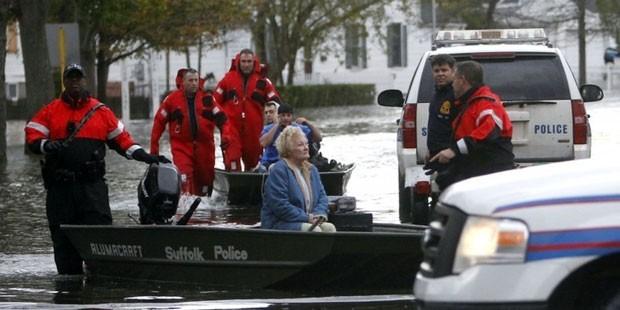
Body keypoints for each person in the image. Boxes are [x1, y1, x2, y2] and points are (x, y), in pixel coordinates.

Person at [25, 64, 170, 275]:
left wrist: (147, 157)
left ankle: (100, 289)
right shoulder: (50, 111)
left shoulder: (101, 112)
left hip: (92, 191)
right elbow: (32, 136)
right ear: (64, 82)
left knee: (101, 242)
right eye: (70, 78)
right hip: (61, 192)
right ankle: (68, 297)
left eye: (78, 78)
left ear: (85, 81)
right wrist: (46, 145)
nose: (75, 82)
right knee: (65, 252)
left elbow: (123, 142)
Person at [429, 60, 514, 190]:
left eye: (455, 80)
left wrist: (453, 151)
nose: (452, 85)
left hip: (490, 170)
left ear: (462, 80)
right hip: (474, 167)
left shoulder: (485, 103)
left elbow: (487, 133)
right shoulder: (468, 103)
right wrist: (440, 155)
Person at [150, 68, 229, 196]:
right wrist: (154, 149)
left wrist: (225, 136)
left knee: (205, 180)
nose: (194, 83)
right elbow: (159, 122)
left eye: (196, 80)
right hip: (181, 146)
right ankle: (184, 204)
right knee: (184, 177)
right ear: (183, 82)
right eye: (190, 80)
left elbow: (222, 119)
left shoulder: (208, 99)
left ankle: (204, 210)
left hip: (205, 147)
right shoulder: (171, 100)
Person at [213, 48, 281, 171]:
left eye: (249, 61)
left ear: (254, 62)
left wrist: (279, 120)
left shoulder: (263, 81)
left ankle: (253, 184)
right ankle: (234, 181)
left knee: (254, 164)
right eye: (243, 61)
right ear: (238, 62)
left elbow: (276, 102)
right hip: (231, 127)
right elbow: (214, 102)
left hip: (254, 129)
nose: (246, 64)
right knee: (232, 159)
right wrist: (219, 123)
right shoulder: (228, 79)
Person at [261, 126, 336, 232]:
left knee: (329, 228)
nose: (306, 147)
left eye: (306, 143)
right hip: (279, 224)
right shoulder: (279, 170)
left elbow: (322, 197)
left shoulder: (312, 169)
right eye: (301, 145)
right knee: (315, 231)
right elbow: (280, 206)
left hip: (306, 220)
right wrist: (307, 218)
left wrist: (318, 215)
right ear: (288, 149)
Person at [260, 102, 322, 168]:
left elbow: (319, 138)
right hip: (272, 163)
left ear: (292, 116)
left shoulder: (298, 128)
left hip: (293, 163)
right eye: (283, 115)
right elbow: (263, 143)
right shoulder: (268, 129)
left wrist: (307, 122)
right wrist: (277, 125)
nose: (286, 118)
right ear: (278, 116)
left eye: (288, 115)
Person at [427, 54, 457, 161]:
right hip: (436, 154)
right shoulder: (436, 95)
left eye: (444, 70)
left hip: (450, 154)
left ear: (453, 71)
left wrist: (453, 150)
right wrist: (430, 150)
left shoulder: (456, 94)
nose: (440, 74)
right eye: (436, 71)